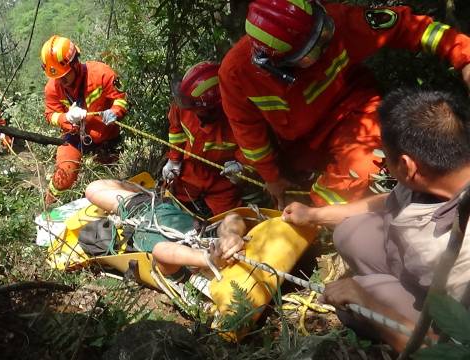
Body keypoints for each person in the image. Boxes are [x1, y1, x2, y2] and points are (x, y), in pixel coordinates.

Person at [219, 0, 470, 208]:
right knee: (267, 176)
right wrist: (272, 177)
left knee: (360, 171)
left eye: (323, 32)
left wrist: (464, 55)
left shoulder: (338, 21)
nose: (324, 44)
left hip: (352, 113)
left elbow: (407, 26)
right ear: (276, 64)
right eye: (310, 52)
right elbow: (247, 133)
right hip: (298, 144)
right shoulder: (236, 74)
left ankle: (321, 219)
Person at [282, 89, 470, 351]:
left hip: (451, 317)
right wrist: (314, 215)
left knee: (354, 298)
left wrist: (369, 303)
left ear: (407, 166)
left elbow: (455, 351)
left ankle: (385, 311)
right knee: (350, 233)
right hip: (421, 270)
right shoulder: (437, 176)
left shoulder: (458, 258)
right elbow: (390, 200)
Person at [84, 179, 246, 276]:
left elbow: (161, 250)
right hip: (158, 207)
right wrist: (230, 234)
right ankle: (141, 190)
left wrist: (207, 259)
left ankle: (138, 191)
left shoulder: (185, 270)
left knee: (92, 190)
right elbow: (233, 218)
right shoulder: (213, 240)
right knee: (95, 189)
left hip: (137, 211)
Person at [41, 35, 128, 206]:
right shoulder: (53, 87)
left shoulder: (102, 74)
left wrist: (115, 113)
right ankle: (48, 207)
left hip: (106, 135)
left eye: (64, 76)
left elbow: (121, 98)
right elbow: (50, 115)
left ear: (75, 64)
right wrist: (66, 118)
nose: (61, 81)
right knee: (63, 177)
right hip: (75, 136)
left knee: (107, 182)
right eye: (57, 77)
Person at [163, 61, 245, 216]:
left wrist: (243, 167)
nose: (187, 109)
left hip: (222, 178)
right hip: (191, 170)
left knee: (228, 220)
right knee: (172, 205)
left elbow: (254, 147)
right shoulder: (186, 102)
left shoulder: (237, 119)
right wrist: (174, 160)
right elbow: (176, 130)